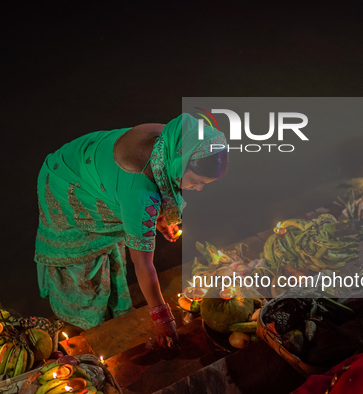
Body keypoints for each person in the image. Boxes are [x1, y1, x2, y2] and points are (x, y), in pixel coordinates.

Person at [34, 113, 228, 348]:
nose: (198, 189)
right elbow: (143, 265)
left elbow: (156, 183)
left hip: (89, 162)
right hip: (68, 183)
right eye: (197, 181)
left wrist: (157, 218)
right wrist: (161, 317)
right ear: (181, 159)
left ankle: (108, 304)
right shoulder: (140, 195)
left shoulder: (171, 139)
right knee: (82, 266)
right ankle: (85, 324)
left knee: (118, 245)